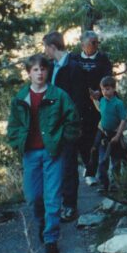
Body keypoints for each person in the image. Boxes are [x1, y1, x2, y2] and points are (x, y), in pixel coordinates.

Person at [6, 54, 79, 253]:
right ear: (29, 73)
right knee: (33, 196)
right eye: (35, 70)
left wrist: (62, 139)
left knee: (53, 196)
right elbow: (13, 127)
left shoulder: (59, 95)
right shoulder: (20, 99)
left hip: (52, 152)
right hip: (30, 154)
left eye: (43, 69)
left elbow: (72, 119)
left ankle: (51, 239)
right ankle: (42, 223)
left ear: (48, 72)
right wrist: (17, 142)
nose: (40, 73)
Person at [42, 31, 82, 222]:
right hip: (52, 125)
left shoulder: (73, 67)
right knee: (55, 165)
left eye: (46, 48)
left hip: (67, 124)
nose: (45, 52)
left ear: (52, 47)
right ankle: (57, 204)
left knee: (68, 165)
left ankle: (70, 206)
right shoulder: (50, 67)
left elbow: (77, 98)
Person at [74, 31, 113, 186]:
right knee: (84, 138)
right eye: (93, 43)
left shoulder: (102, 58)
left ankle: (101, 172)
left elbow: (109, 77)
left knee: (100, 138)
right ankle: (89, 170)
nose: (96, 45)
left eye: (97, 42)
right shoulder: (75, 59)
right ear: (83, 45)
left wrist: (100, 91)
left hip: (100, 104)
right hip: (82, 105)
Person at [91, 76, 127, 193]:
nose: (105, 92)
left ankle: (116, 184)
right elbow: (100, 109)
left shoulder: (118, 103)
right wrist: (93, 98)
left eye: (107, 89)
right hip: (103, 134)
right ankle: (104, 184)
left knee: (116, 161)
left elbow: (123, 120)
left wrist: (118, 135)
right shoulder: (102, 100)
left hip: (114, 134)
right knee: (102, 160)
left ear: (113, 89)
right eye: (103, 89)